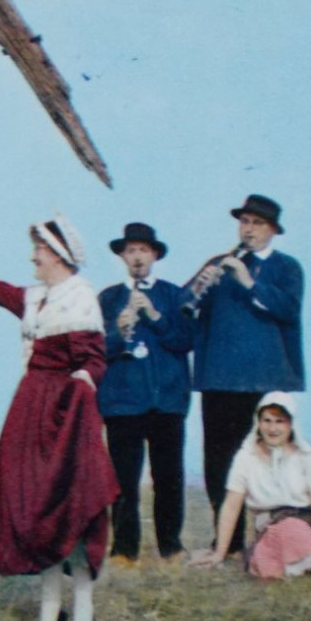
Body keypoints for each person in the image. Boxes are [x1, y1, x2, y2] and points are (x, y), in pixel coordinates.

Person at [0, 211, 116, 621]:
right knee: (34, 503)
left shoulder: (80, 298)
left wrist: (79, 387)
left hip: (66, 414)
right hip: (30, 411)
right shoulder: (35, 297)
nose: (32, 258)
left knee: (71, 504)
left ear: (58, 255)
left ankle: (83, 607)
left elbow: (93, 360)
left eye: (38, 250)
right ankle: (48, 607)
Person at [189, 193, 305, 554]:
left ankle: (279, 540)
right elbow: (185, 304)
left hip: (265, 379)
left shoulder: (287, 267)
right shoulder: (219, 262)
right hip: (220, 378)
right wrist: (198, 288)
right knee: (218, 460)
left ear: (272, 230)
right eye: (244, 222)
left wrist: (249, 282)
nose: (248, 229)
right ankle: (229, 540)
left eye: (257, 223)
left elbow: (288, 308)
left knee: (271, 458)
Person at [191, 392, 311, 580]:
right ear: (258, 422)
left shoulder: (306, 455)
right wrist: (220, 553)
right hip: (275, 525)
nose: (272, 428)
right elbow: (231, 505)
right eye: (267, 421)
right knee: (292, 530)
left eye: (279, 421)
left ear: (291, 424)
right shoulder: (245, 457)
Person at [96, 223, 193, 565]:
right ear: (123, 256)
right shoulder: (107, 298)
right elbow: (95, 349)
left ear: (154, 255)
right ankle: (125, 550)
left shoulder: (174, 294)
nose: (137, 257)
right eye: (131, 251)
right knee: (123, 480)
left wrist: (153, 315)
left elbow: (184, 340)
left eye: (143, 250)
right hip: (123, 404)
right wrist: (119, 332)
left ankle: (171, 546)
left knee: (169, 477)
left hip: (167, 402)